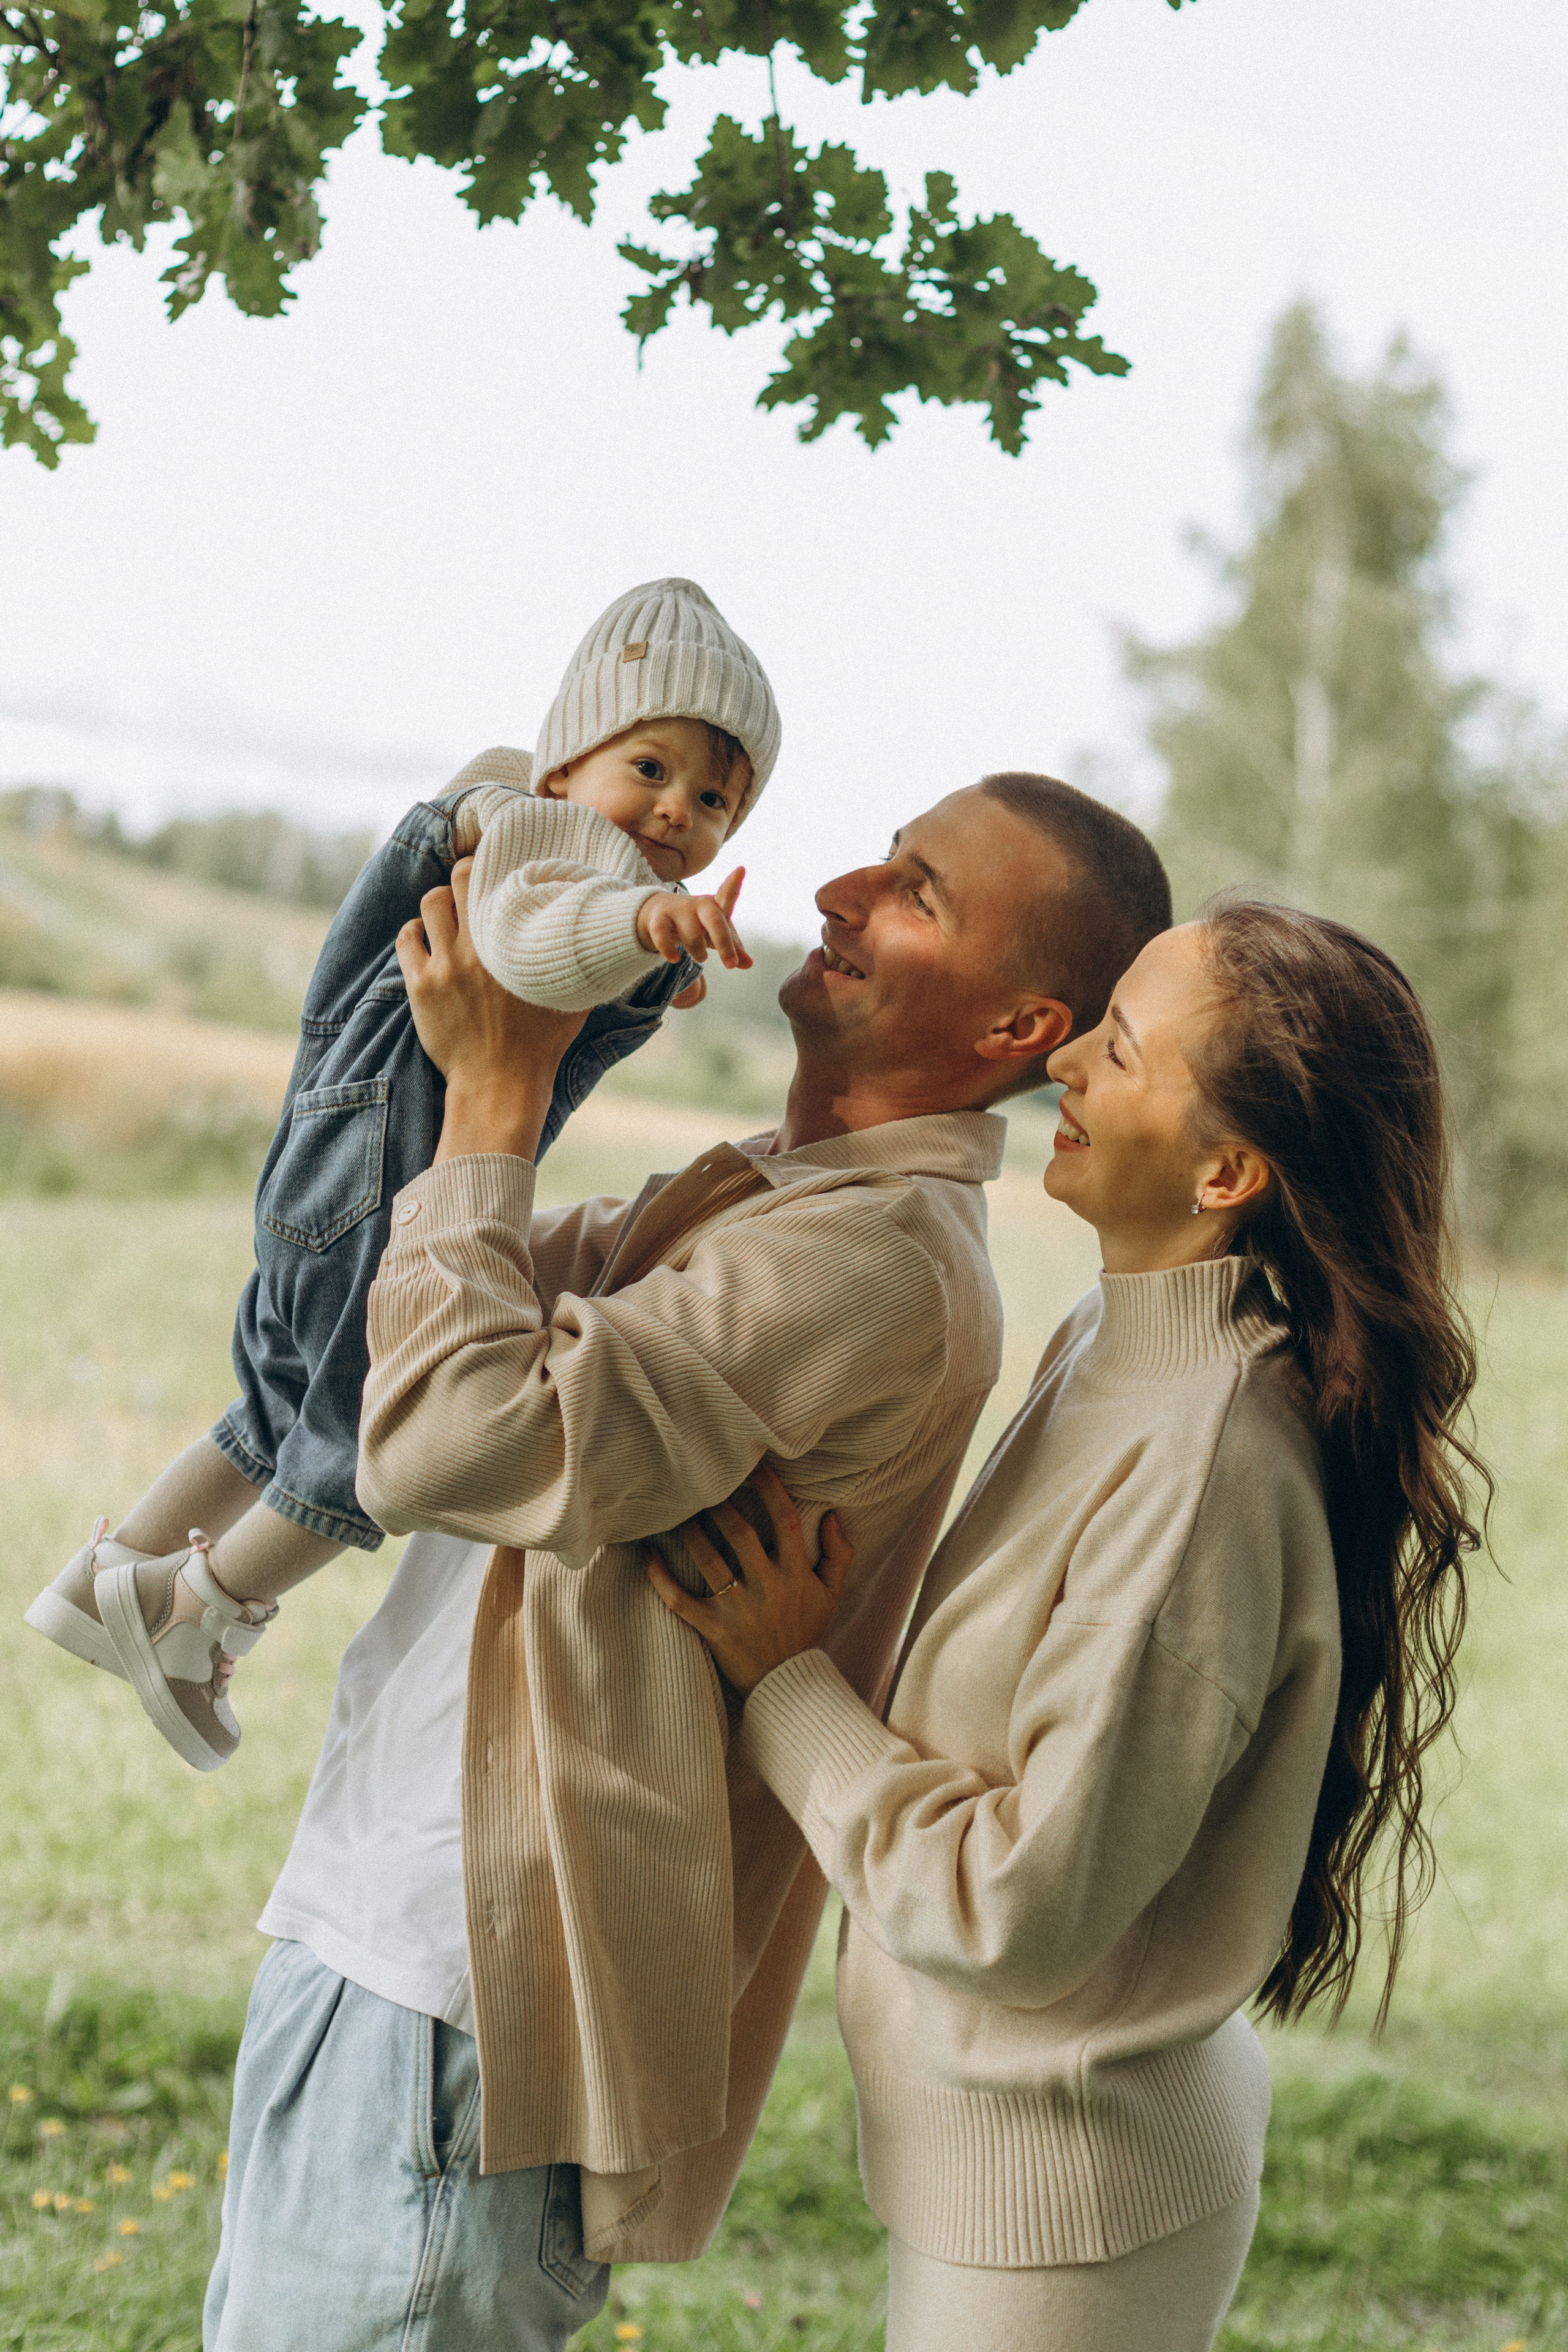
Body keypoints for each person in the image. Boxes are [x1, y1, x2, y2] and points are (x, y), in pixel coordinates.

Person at [202, 773, 1173, 2350]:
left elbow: (444, 1442)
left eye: (917, 893)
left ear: (1017, 1027)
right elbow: (398, 1323)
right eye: (880, 859)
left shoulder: (872, 1263)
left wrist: (500, 1096)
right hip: (392, 1925)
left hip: (474, 1984)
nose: (842, 891)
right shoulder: (768, 1189)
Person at [650, 899, 1490, 2352]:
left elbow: (1015, 1909)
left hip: (1067, 2199)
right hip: (1018, 2171)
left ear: (1225, 1171)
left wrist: (785, 1685)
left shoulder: (1204, 1465)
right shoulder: (1120, 1339)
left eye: (1119, 1050)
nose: (1064, 1068)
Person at [26, 576, 779, 1770]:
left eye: (715, 801)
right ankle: (193, 1614)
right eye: (651, 769)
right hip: (389, 1186)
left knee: (278, 1399)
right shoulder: (559, 859)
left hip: (322, 1165)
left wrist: (650, 951)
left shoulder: (498, 817)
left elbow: (526, 853)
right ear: (568, 766)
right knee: (366, 1436)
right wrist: (643, 933)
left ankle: (103, 1578)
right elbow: (544, 941)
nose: (677, 811)